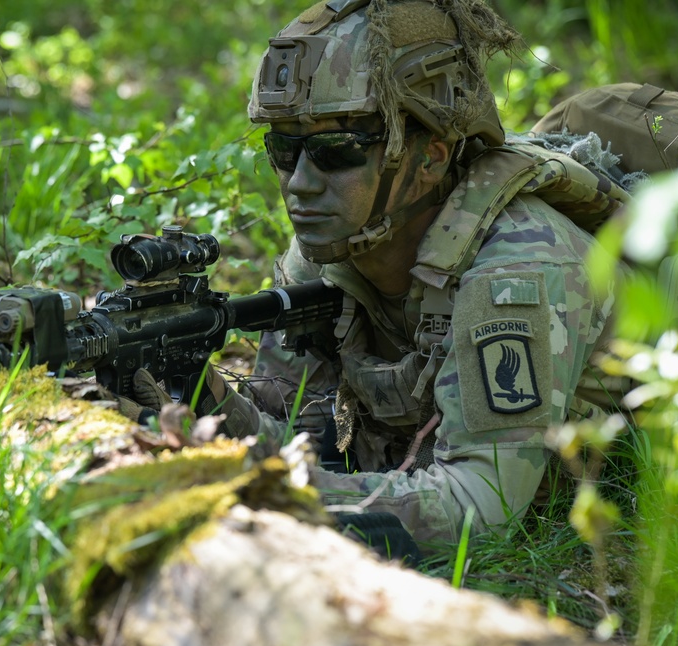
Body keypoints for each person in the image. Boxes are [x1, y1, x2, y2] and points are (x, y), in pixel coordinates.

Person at [131, 0, 634, 548]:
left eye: (337, 151)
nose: (299, 182)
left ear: (429, 159)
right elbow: (299, 431)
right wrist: (196, 395)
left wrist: (265, 492)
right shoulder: (330, 250)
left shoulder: (516, 270)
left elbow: (482, 506)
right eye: (283, 148)